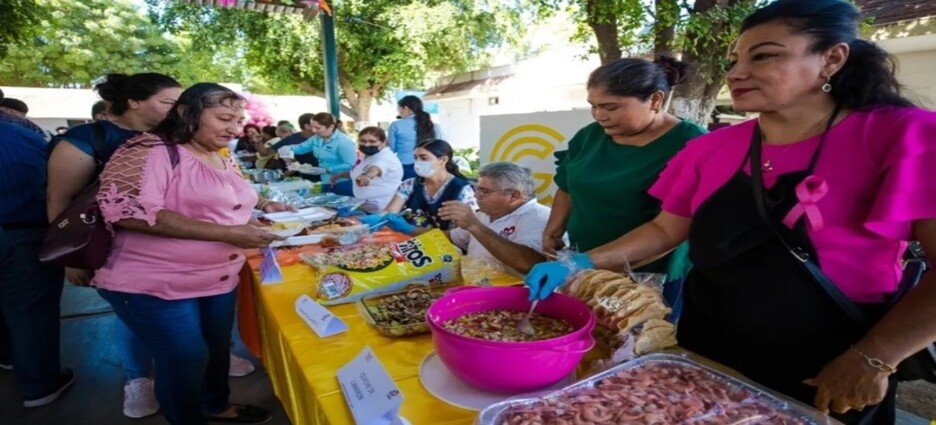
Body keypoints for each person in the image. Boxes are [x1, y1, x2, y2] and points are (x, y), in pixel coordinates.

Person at [525, 1, 936, 423]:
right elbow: (664, 230)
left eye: (764, 55)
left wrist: (875, 358)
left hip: (832, 362)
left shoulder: (908, 136)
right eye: (733, 60)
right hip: (706, 349)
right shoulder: (708, 149)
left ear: (832, 58)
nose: (736, 72)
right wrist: (579, 262)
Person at [94, 83, 283, 425]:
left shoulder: (220, 156)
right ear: (186, 112)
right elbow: (130, 212)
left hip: (215, 279)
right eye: (224, 117)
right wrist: (229, 234)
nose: (234, 128)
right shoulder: (149, 150)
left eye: (238, 120)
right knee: (185, 359)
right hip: (154, 283)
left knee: (215, 351)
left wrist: (259, 219)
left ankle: (216, 403)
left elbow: (228, 207)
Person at [46, 72, 183, 418]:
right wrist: (69, 259)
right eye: (169, 102)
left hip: (171, 244)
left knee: (178, 310)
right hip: (114, 249)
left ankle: (196, 365)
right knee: (131, 312)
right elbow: (59, 200)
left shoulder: (172, 138)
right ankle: (137, 379)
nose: (177, 110)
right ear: (135, 102)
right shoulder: (86, 139)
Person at [541, 56, 706, 309]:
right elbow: (567, 186)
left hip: (648, 275)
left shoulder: (692, 145)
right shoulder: (589, 136)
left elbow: (668, 230)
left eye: (610, 107)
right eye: (593, 106)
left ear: (655, 100)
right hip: (582, 262)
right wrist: (553, 232)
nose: (599, 115)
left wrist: (582, 263)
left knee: (638, 341)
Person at [0, 94, 74, 408]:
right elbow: (52, 189)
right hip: (22, 234)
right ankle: (40, 384)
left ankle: (7, 356)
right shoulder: (23, 133)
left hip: (20, 232)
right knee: (32, 313)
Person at [442, 162, 550, 274]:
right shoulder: (485, 214)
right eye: (477, 189)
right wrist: (422, 232)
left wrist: (474, 225)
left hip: (514, 291)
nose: (476, 195)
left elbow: (529, 264)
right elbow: (452, 237)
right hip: (476, 286)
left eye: (484, 191)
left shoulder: (540, 217)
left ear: (514, 196)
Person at [378, 139, 476, 232]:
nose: (417, 162)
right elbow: (391, 211)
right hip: (410, 242)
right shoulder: (410, 184)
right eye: (415, 158)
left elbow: (461, 232)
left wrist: (411, 230)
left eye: (424, 158)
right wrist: (376, 219)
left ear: (443, 160)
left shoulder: (461, 189)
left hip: (446, 243)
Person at [328, 127, 404, 213]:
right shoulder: (368, 155)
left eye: (372, 141)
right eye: (363, 141)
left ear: (383, 142)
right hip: (366, 206)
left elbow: (376, 168)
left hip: (383, 209)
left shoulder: (386, 158)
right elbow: (359, 172)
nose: (366, 145)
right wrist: (341, 175)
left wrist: (367, 176)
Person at [288, 112, 357, 194]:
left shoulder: (343, 141)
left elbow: (350, 163)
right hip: (325, 180)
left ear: (331, 127)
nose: (314, 131)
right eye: (312, 127)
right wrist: (288, 148)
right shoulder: (316, 138)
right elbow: (302, 148)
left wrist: (326, 170)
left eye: (317, 128)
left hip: (342, 182)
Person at [388, 95, 444, 179]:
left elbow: (392, 149)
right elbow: (442, 147)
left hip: (406, 168)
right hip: (430, 166)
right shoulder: (435, 126)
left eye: (399, 109)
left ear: (406, 108)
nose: (399, 113)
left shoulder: (396, 125)